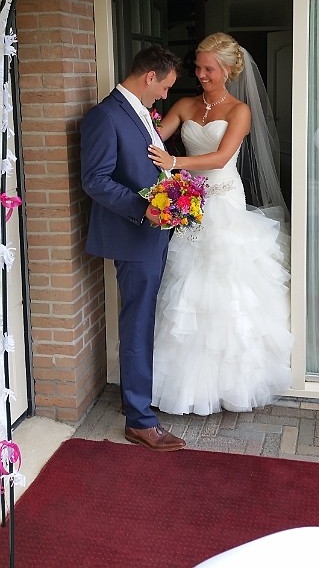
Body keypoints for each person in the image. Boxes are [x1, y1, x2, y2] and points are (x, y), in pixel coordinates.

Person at [148, 33, 292, 415]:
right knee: (188, 282)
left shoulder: (239, 111)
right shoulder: (185, 104)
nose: (200, 74)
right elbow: (154, 138)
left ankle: (232, 383)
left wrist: (174, 163)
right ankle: (186, 386)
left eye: (209, 68)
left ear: (228, 70)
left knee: (226, 280)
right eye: (198, 67)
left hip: (224, 199)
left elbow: (221, 157)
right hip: (191, 201)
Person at [80, 45, 186, 452]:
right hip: (134, 233)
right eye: (165, 86)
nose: (165, 95)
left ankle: (135, 401)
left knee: (142, 319)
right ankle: (140, 422)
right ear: (149, 77)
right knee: (137, 323)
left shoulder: (139, 110)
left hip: (152, 233)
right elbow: (96, 180)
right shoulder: (105, 116)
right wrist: (145, 209)